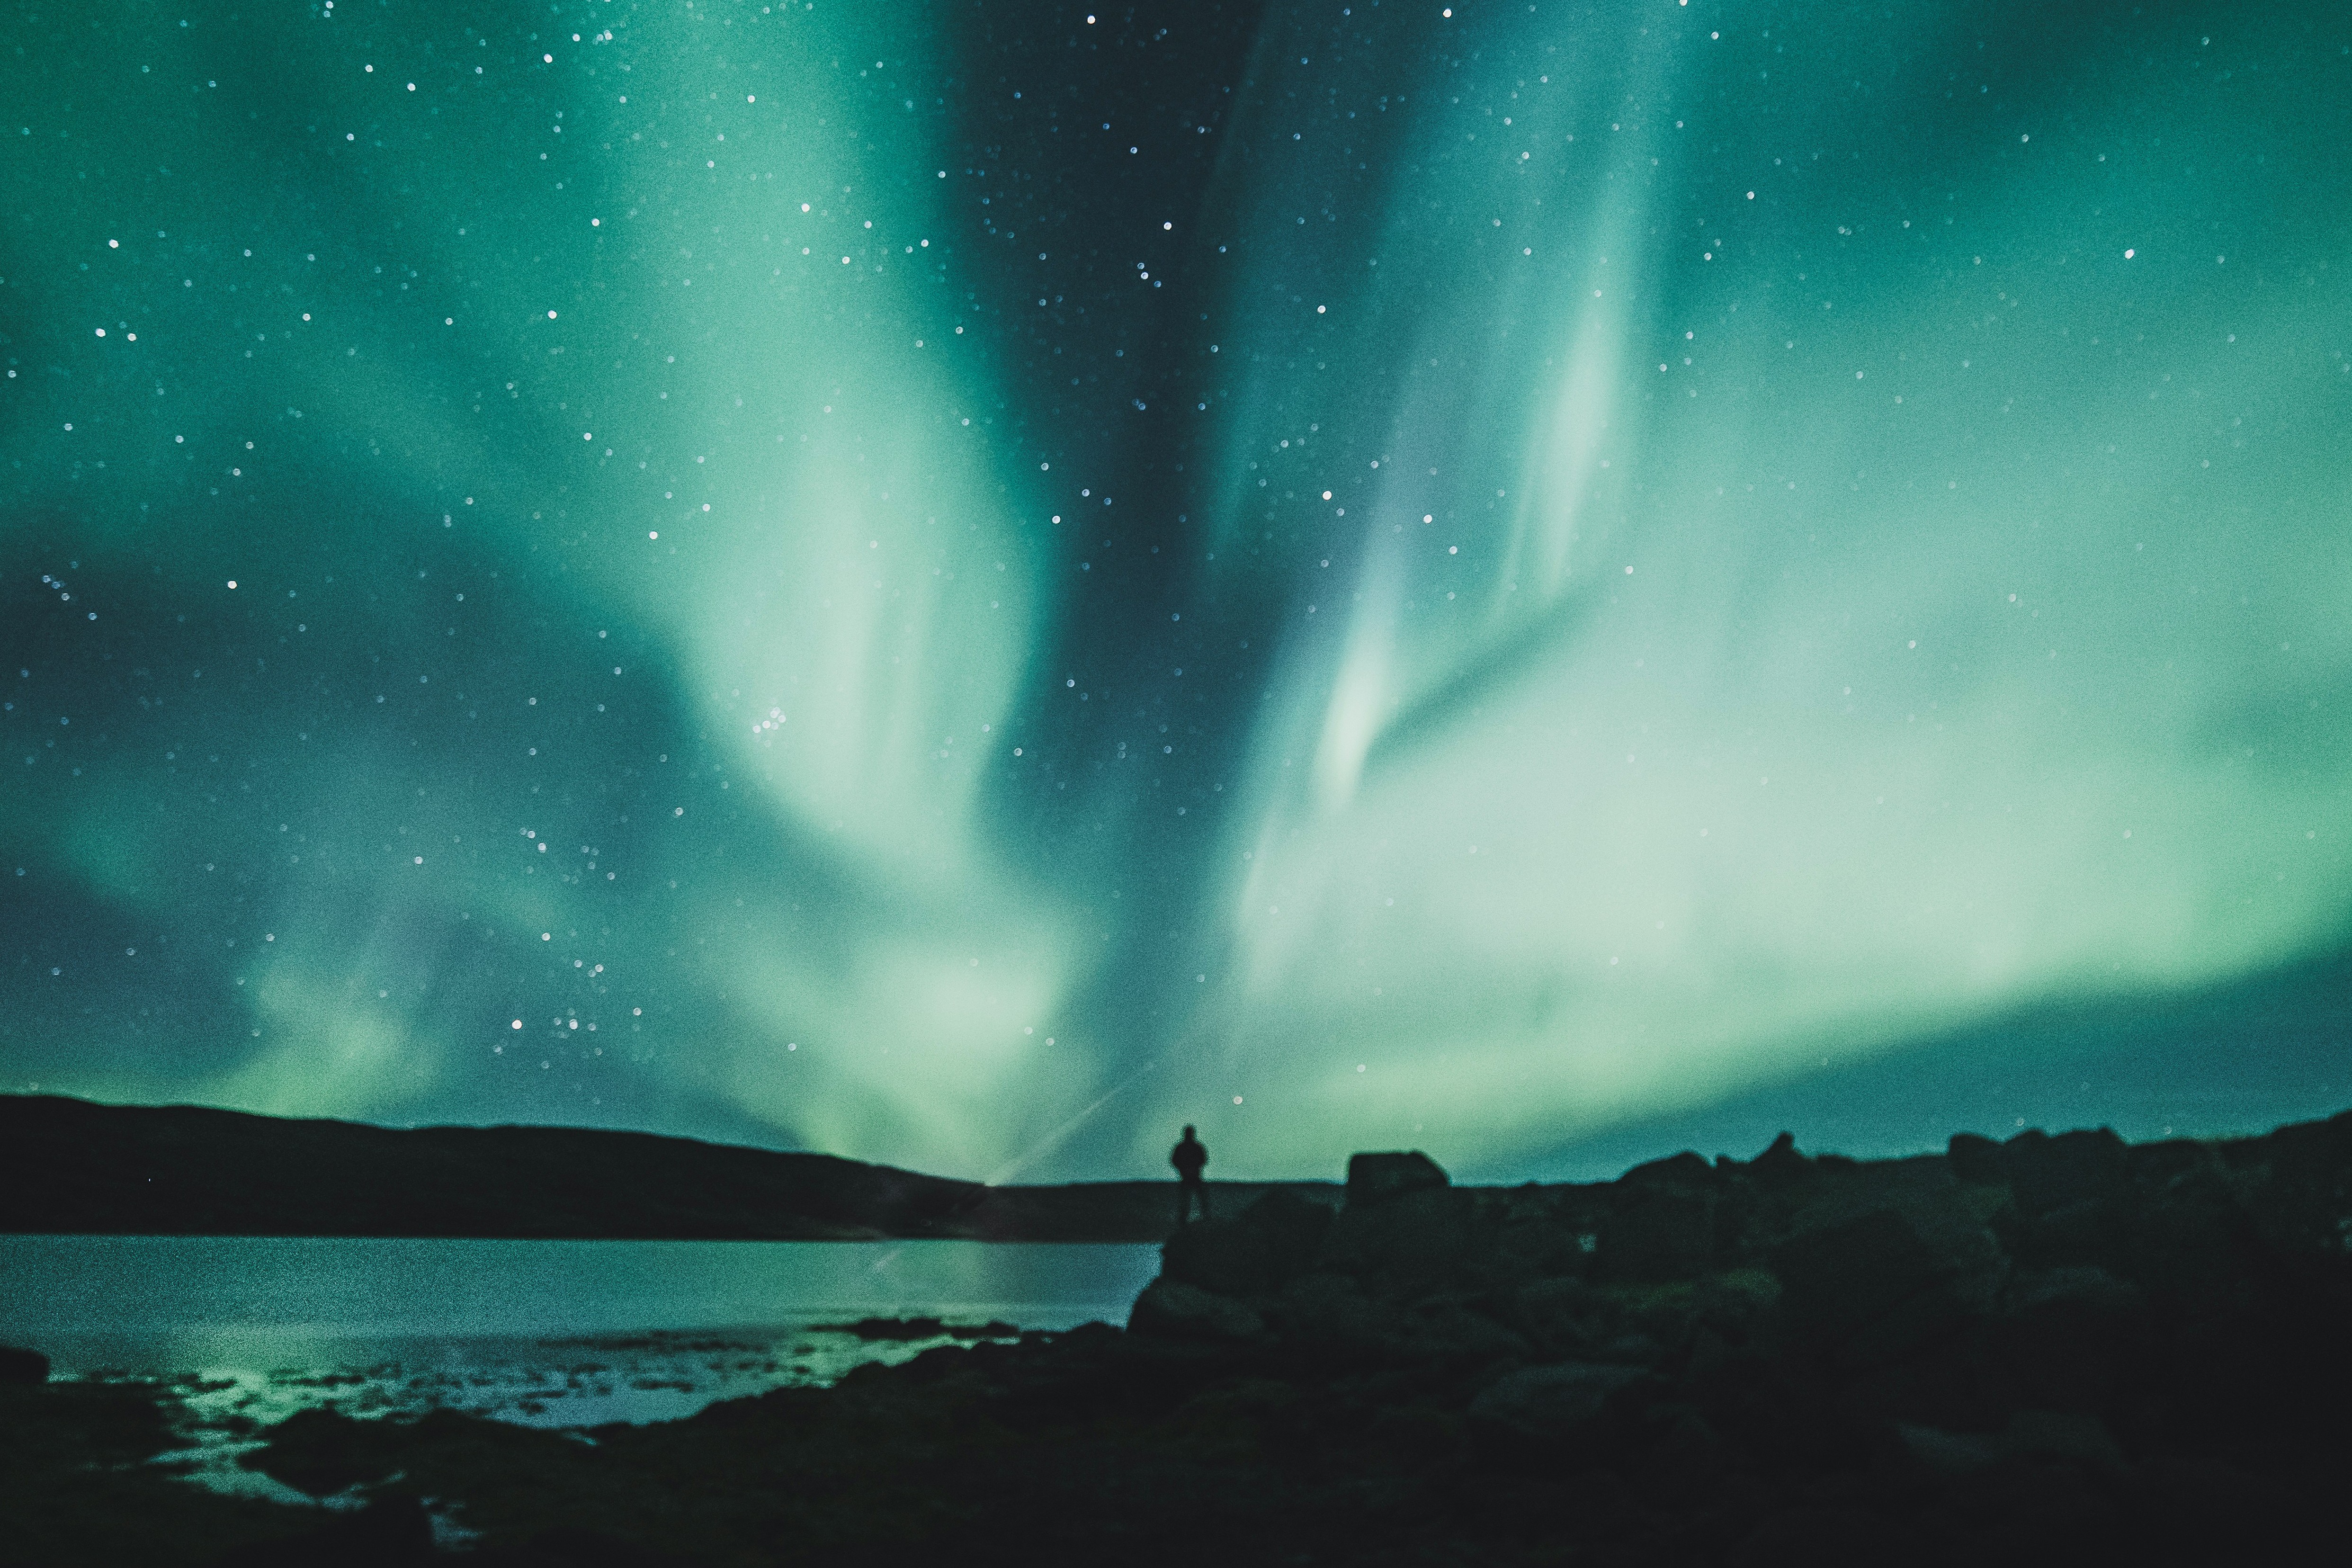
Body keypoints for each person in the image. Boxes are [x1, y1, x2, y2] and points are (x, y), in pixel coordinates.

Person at [1170, 1125, 1210, 1225]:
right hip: (1191, 1176)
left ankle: (1185, 1221)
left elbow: (1203, 1160)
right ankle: (1202, 1219)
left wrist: (1185, 1169)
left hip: (1191, 1176)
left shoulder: (1183, 1147)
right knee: (1191, 1200)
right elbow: (1204, 1160)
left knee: (1191, 1200)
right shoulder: (1194, 1147)